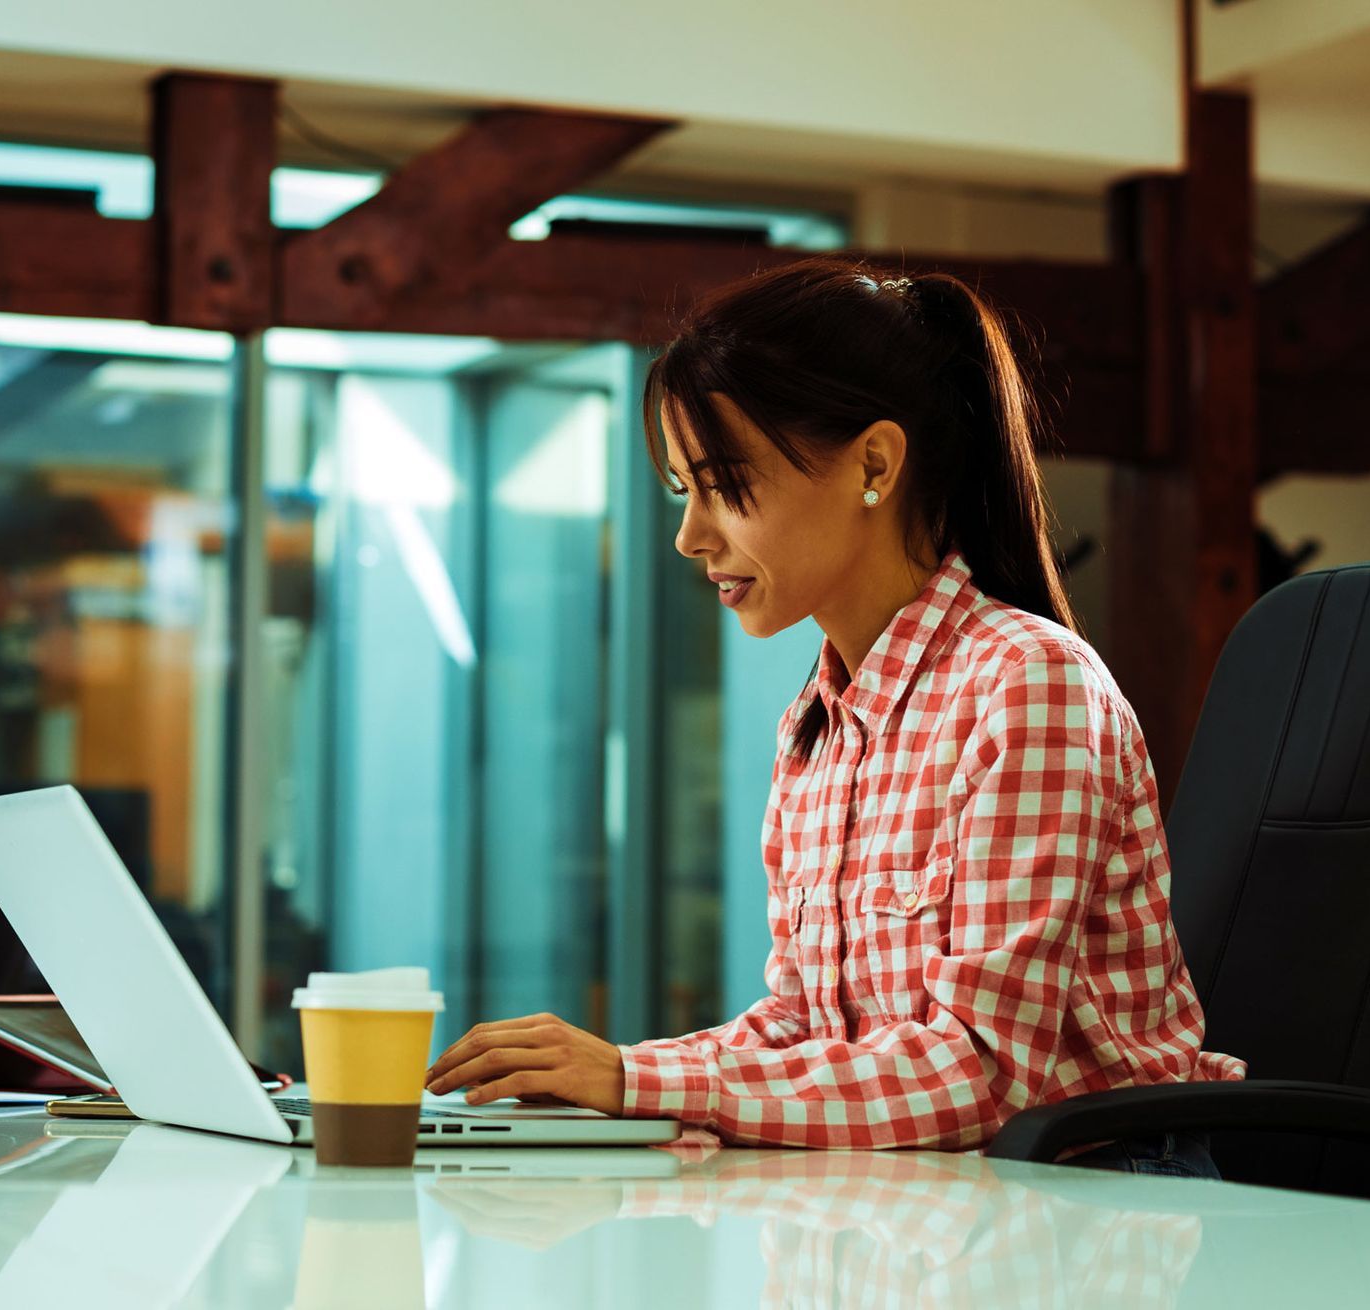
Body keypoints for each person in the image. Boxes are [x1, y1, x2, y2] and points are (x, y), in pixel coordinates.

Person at [424, 256, 1243, 1173]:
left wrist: (635, 1084)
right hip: (934, 1201)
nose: (691, 536)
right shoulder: (815, 728)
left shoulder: (1028, 686)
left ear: (875, 465)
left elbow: (981, 1073)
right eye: (683, 491)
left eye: (725, 484)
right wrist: (614, 1080)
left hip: (1095, 1208)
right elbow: (802, 1026)